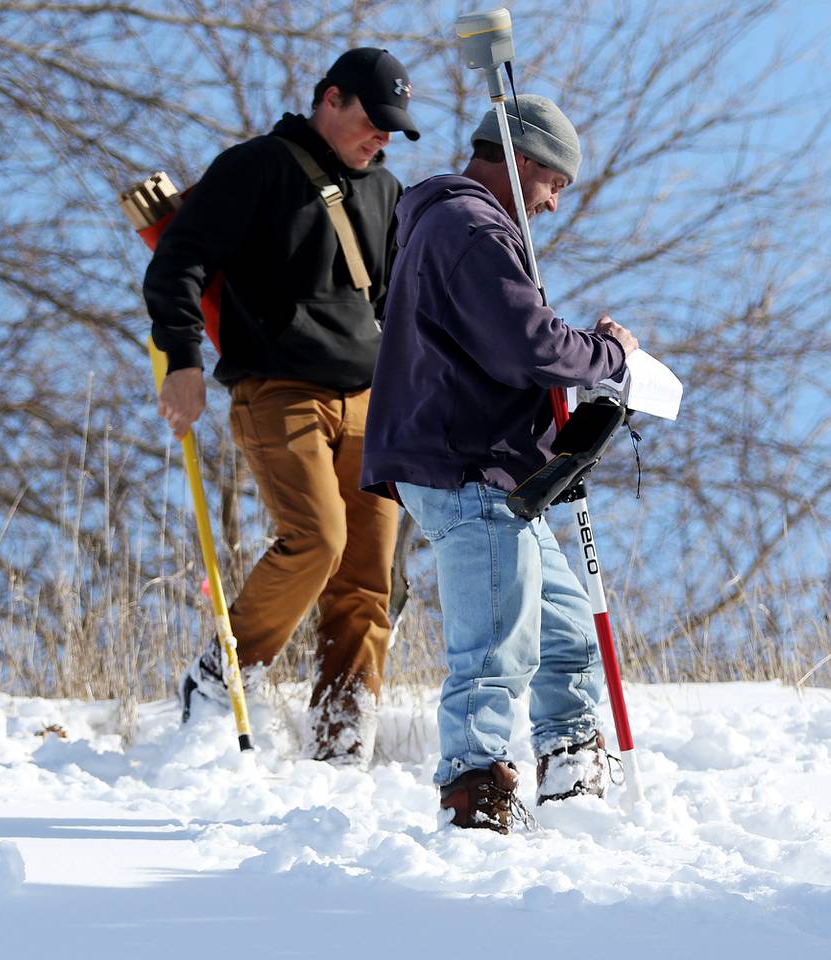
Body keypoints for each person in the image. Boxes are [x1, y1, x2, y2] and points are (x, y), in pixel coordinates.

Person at [361, 94, 638, 832]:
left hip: (495, 474)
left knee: (565, 632)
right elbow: (529, 344)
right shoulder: (470, 227)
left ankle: (574, 782)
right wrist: (609, 358)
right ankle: (474, 798)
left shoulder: (450, 225)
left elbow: (507, 341)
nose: (551, 205)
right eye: (555, 184)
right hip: (467, 465)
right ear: (522, 163)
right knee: (494, 647)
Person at [144, 48, 420, 766]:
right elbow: (178, 262)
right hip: (279, 390)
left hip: (369, 402)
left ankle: (341, 737)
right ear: (330, 100)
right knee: (317, 539)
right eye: (371, 121)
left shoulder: (386, 191)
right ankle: (223, 675)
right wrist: (181, 361)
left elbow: (395, 306)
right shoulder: (256, 166)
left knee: (368, 579)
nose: (381, 138)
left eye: (392, 129)